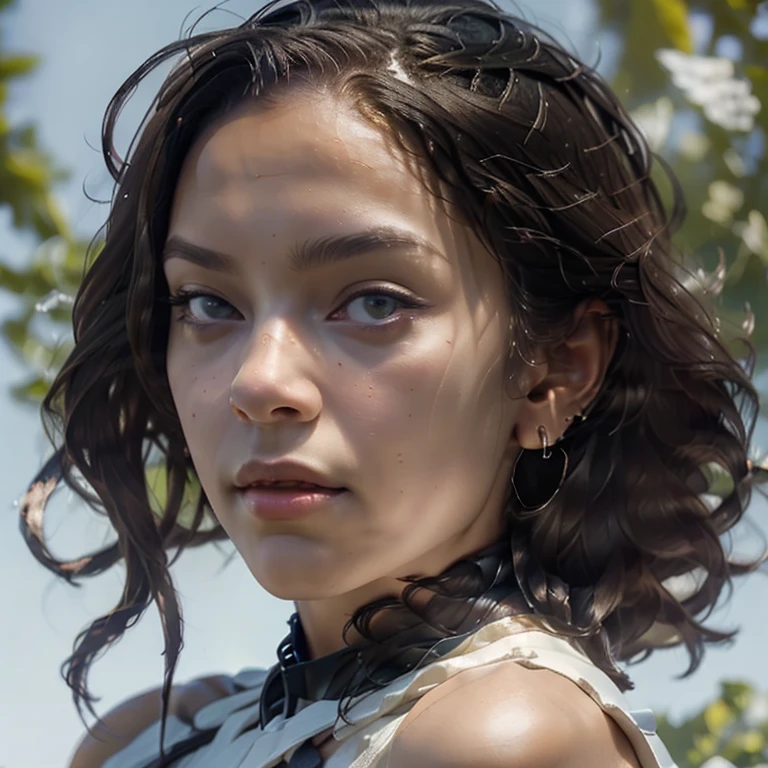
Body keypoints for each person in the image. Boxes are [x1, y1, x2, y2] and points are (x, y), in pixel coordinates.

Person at [18, 0, 767, 765]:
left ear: (557, 368)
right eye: (209, 304)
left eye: (374, 303)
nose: (259, 379)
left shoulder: (500, 740)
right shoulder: (146, 736)